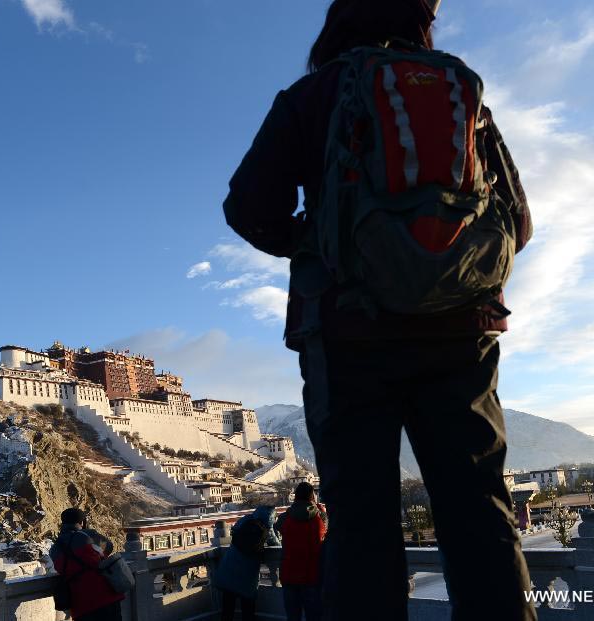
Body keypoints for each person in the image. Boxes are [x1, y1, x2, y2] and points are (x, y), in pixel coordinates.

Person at [222, 1, 536, 619]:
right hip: (460, 335)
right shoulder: (459, 92)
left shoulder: (312, 96)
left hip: (347, 337)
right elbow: (518, 222)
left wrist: (319, 243)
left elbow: (247, 208)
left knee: (362, 522)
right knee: (481, 510)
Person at [50, 507, 124, 621]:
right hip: (105, 597)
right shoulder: (87, 535)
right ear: (82, 522)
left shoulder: (54, 549)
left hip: (80, 605)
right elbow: (109, 547)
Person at [211, 506, 281, 621]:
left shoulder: (245, 520)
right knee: (248, 608)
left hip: (230, 567)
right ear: (273, 517)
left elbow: (234, 534)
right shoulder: (267, 526)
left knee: (227, 609)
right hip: (248, 572)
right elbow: (275, 544)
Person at [275, 482, 327, 621]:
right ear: (312, 496)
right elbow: (326, 525)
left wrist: (291, 510)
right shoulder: (319, 517)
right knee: (314, 616)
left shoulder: (286, 517)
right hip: (311, 575)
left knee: (293, 617)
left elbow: (277, 525)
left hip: (289, 575)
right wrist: (320, 508)